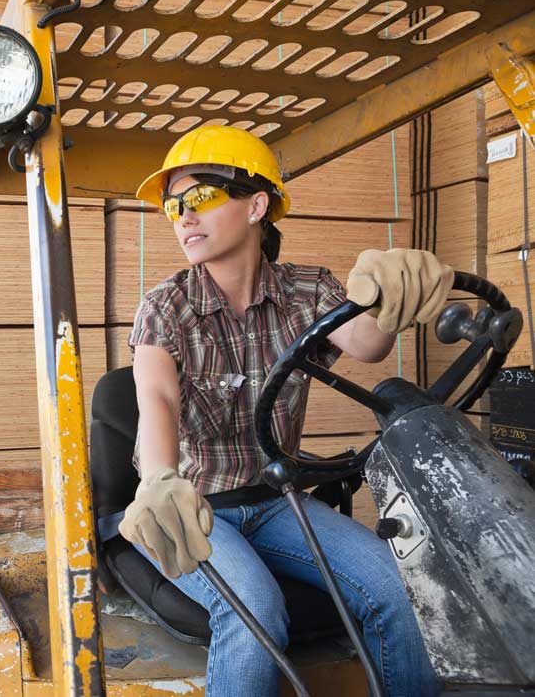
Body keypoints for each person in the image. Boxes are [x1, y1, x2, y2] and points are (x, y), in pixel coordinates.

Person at [119, 125, 446, 697]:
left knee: (398, 589)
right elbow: (157, 399)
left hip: (276, 501)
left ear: (256, 207)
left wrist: (387, 291)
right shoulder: (165, 307)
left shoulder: (307, 291)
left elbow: (368, 343)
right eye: (173, 206)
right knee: (256, 613)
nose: (183, 217)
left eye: (200, 197)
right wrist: (160, 478)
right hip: (192, 509)